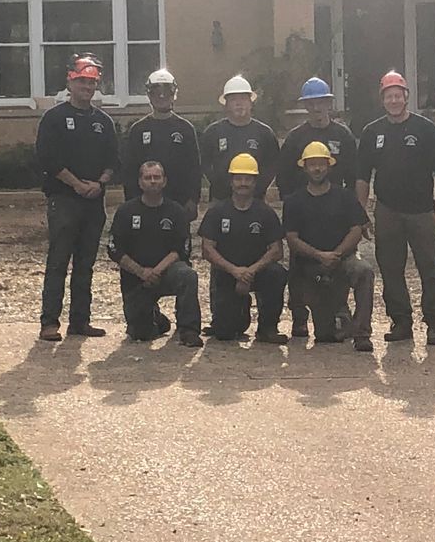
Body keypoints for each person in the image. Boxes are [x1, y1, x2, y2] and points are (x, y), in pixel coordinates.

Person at [355, 69, 435, 346]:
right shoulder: (372, 132)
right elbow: (363, 176)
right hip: (387, 211)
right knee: (390, 268)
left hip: (422, 212)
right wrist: (361, 214)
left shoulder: (425, 129)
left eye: (398, 95)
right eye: (389, 96)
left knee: (430, 267)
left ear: (406, 97)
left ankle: (434, 323)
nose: (394, 101)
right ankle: (401, 321)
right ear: (382, 99)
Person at [35, 53, 120, 341]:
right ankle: (49, 322)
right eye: (82, 81)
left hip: (94, 202)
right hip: (64, 201)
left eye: (92, 82)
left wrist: (99, 183)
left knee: (86, 264)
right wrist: (76, 184)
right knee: (58, 261)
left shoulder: (104, 122)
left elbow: (114, 160)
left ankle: (80, 321)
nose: (87, 86)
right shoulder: (54, 118)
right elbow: (48, 159)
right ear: (70, 82)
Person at [274, 76, 358, 340]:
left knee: (340, 261)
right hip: (304, 212)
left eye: (321, 102)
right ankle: (299, 317)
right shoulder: (296, 138)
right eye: (311, 104)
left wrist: (356, 213)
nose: (316, 108)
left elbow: (354, 175)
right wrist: (294, 208)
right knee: (299, 265)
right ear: (305, 106)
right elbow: (283, 177)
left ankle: (339, 310)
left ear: (329, 103)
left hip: (338, 211)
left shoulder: (342, 135)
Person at [283, 140, 376, 353]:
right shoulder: (294, 201)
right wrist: (319, 256)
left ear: (329, 166)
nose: (317, 169)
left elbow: (356, 230)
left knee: (364, 271)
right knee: (326, 336)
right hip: (310, 265)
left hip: (343, 259)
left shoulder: (344, 196)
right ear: (304, 167)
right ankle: (336, 315)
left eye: (321, 164)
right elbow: (292, 239)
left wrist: (337, 254)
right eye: (312, 164)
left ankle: (362, 333)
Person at [108, 158, 202, 348]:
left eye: (157, 177)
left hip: (167, 271)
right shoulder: (126, 211)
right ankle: (157, 319)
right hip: (136, 277)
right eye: (148, 177)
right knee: (141, 334)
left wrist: (156, 271)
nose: (153, 181)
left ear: (164, 181)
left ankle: (189, 330)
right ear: (140, 182)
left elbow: (181, 249)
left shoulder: (176, 211)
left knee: (188, 275)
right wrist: (141, 272)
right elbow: (114, 249)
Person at [197, 154, 288, 345]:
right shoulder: (217, 212)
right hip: (227, 273)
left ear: (255, 182)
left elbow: (277, 250)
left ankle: (268, 328)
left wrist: (250, 272)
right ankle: (239, 308)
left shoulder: (265, 212)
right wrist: (235, 271)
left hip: (259, 272)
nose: (243, 183)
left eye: (248, 179)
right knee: (225, 334)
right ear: (231, 182)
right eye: (238, 178)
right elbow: (207, 249)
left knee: (277, 273)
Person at [122, 67, 202, 219]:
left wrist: (193, 200)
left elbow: (194, 168)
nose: (161, 96)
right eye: (156, 92)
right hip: (144, 203)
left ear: (174, 95)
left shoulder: (185, 129)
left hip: (179, 202)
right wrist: (131, 202)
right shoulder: (138, 130)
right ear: (149, 95)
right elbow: (129, 170)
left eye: (167, 91)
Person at [199, 73, 277, 203]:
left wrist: (257, 189)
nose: (239, 103)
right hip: (221, 200)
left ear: (251, 103)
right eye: (234, 99)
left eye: (243, 98)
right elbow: (204, 164)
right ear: (226, 104)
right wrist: (220, 185)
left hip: (255, 201)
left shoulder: (265, 133)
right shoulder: (212, 133)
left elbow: (272, 166)